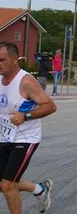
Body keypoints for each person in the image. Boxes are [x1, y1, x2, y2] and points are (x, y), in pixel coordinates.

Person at [0, 42, 57, 213]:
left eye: (2, 60)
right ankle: (39, 189)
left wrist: (26, 116)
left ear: (15, 59)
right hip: (4, 136)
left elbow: (50, 106)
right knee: (2, 184)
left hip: (25, 138)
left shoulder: (26, 81)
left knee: (8, 186)